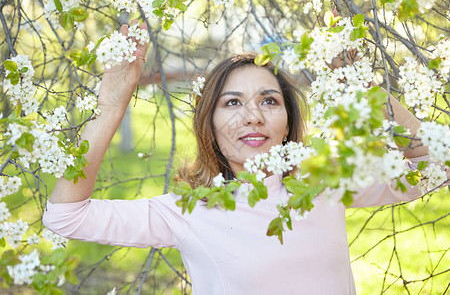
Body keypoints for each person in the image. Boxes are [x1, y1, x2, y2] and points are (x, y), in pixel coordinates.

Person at [43, 21, 434, 294]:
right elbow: (64, 216)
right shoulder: (188, 211)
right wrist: (110, 108)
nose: (253, 115)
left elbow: (438, 165)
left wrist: (366, 87)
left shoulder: (326, 181)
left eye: (269, 100)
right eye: (232, 102)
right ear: (208, 124)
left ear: (287, 121)